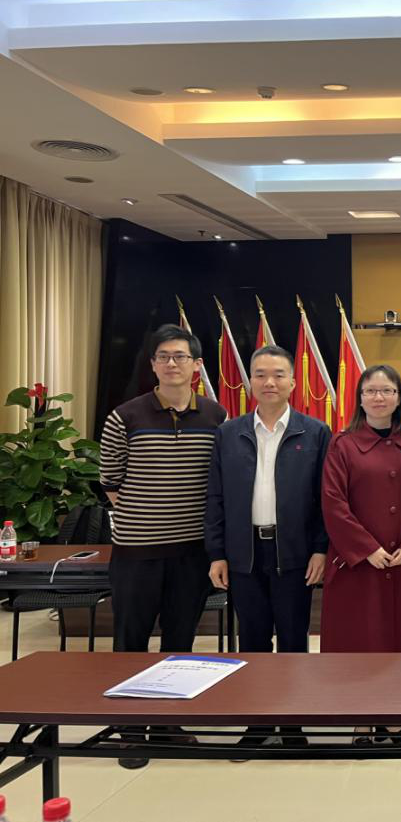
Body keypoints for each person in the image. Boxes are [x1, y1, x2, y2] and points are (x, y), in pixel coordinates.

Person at [99, 323, 227, 768]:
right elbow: (110, 483)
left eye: (181, 356)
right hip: (137, 551)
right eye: (164, 357)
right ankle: (131, 731)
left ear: (197, 365)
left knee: (180, 641)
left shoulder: (215, 416)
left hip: (191, 551)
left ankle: (170, 724)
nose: (172, 364)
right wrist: (149, 516)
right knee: (131, 640)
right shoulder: (126, 416)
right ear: (153, 364)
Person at [204, 344, 330, 752]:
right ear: (250, 382)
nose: (269, 382)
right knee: (253, 640)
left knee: (293, 639)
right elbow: (215, 498)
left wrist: (320, 549)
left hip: (294, 553)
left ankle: (293, 723)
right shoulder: (229, 433)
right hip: (244, 553)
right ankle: (257, 721)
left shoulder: (315, 433)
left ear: (293, 382)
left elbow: (325, 499)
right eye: (260, 374)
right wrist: (217, 553)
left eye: (278, 374)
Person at [322, 364, 401, 747]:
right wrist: (367, 549)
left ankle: (396, 721)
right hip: (357, 566)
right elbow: (333, 502)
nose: (379, 397)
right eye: (371, 391)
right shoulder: (342, 444)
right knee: (361, 641)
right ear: (360, 398)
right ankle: (362, 722)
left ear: (399, 398)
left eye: (387, 391)